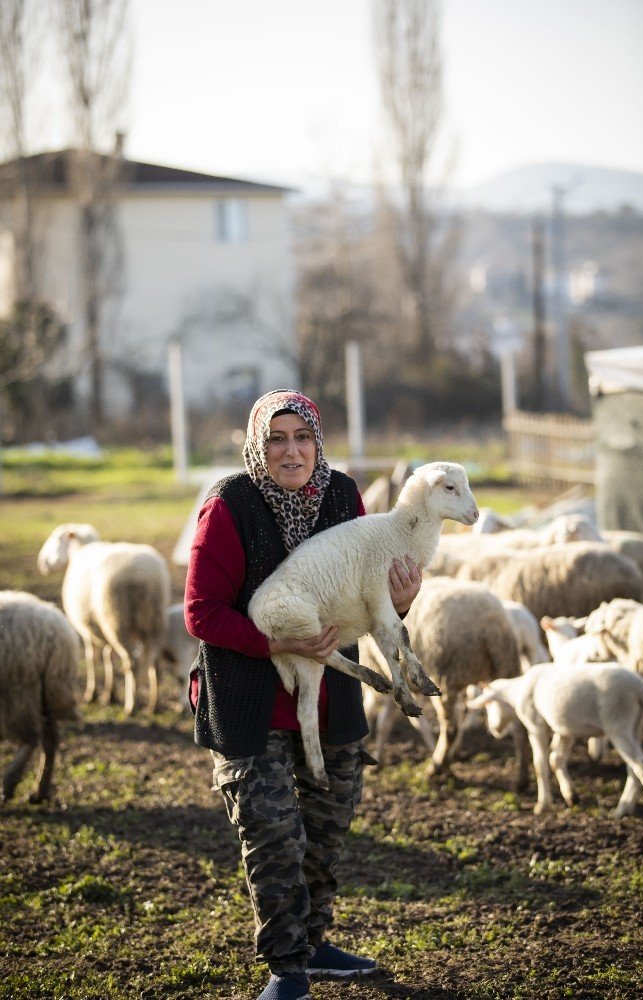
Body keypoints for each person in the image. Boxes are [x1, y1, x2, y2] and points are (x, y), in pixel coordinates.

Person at [184, 389, 422, 1000]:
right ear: (258, 447)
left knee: (328, 823)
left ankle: (315, 941)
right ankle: (286, 968)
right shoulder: (230, 506)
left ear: (319, 441)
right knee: (270, 832)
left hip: (331, 688)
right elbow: (202, 612)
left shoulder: (343, 496)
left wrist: (399, 600)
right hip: (249, 693)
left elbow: (367, 590)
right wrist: (277, 644)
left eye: (303, 438)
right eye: (277, 439)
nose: (292, 451)